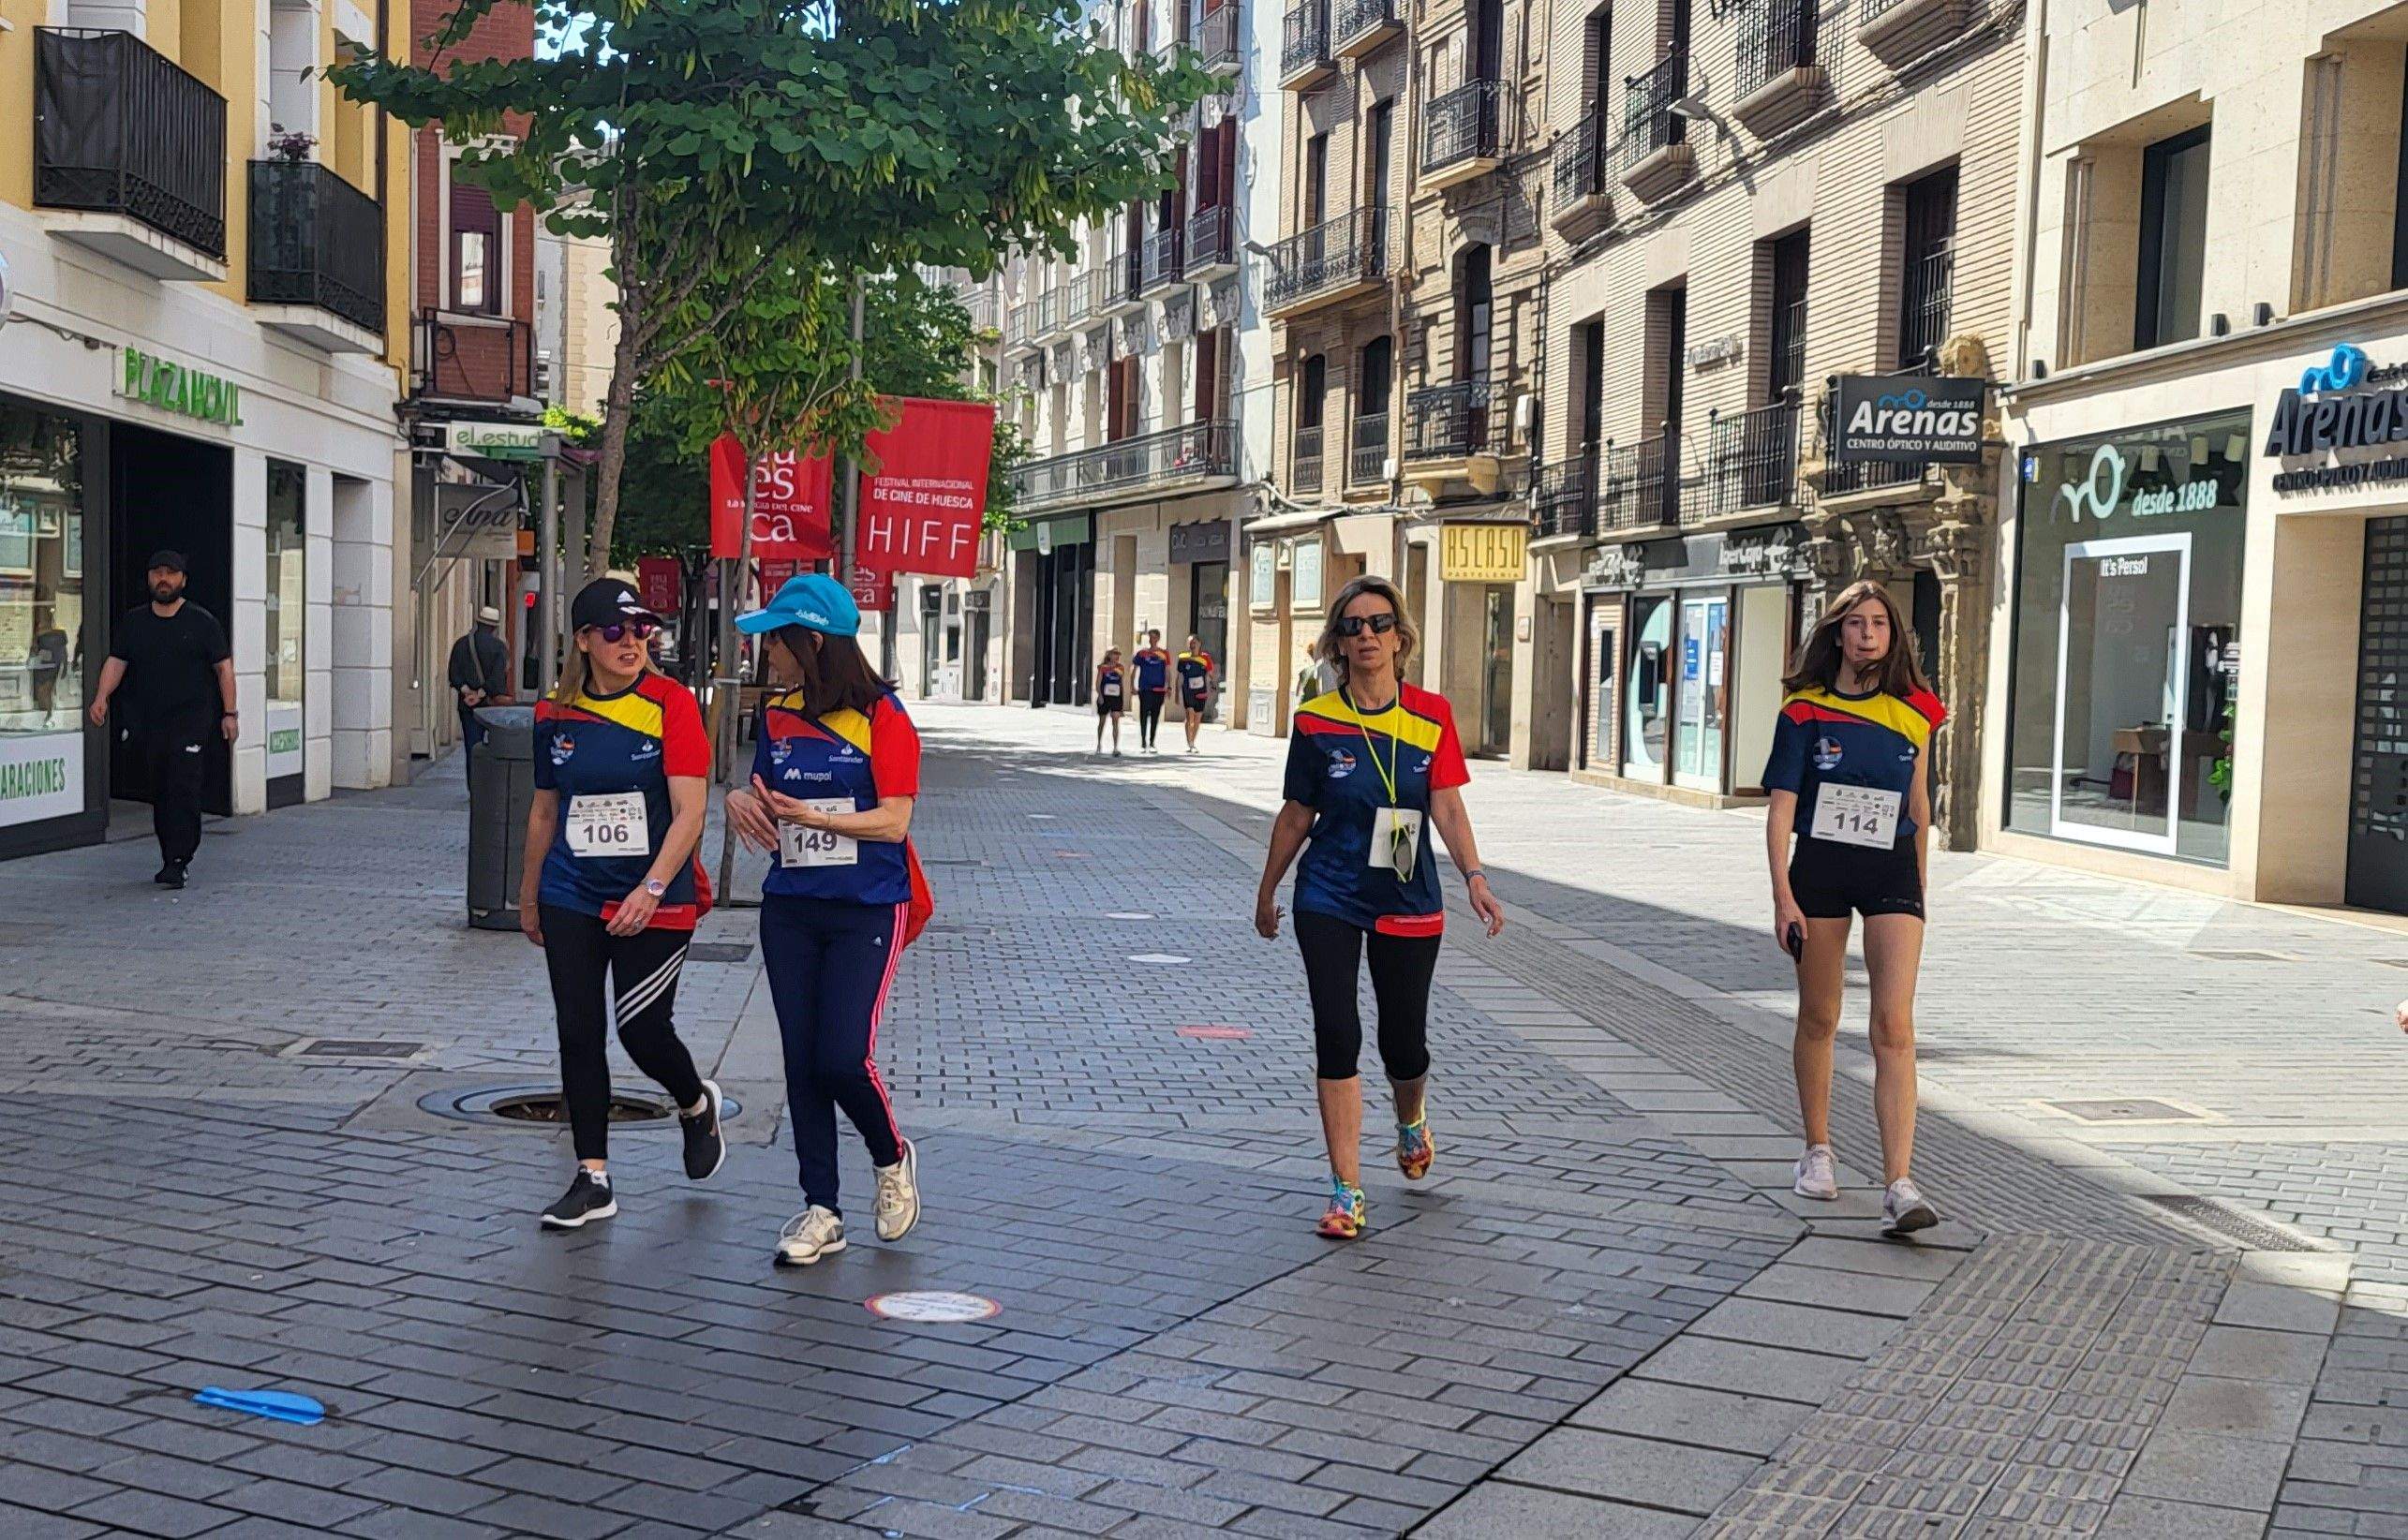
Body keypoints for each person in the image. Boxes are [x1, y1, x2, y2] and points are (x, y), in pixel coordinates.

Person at [1254, 576, 1505, 1239]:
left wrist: (1474, 876)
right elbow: (1296, 813)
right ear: (1337, 643)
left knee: (1403, 1042)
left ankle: (1411, 1116)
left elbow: (1446, 802)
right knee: (1337, 1033)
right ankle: (1345, 1190)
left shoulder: (1433, 715)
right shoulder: (1315, 721)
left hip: (1406, 890)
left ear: (1400, 638)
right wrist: (1267, 889)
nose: (1367, 635)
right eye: (1353, 625)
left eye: (1379, 624)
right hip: (1329, 893)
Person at [724, 573, 930, 1268]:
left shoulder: (885, 717)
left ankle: (890, 1155)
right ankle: (822, 1208)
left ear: (811, 642)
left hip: (868, 908)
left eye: (777, 643)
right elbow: (762, 790)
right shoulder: (778, 712)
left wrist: (812, 817)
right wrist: (737, 801)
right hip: (791, 907)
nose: (768, 657)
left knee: (842, 1055)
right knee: (801, 1060)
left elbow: (896, 819)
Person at [519, 578, 724, 1231]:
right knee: (578, 1031)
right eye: (615, 631)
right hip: (571, 891)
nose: (631, 642)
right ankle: (593, 1177)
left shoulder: (671, 705)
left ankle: (694, 1105)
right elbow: (545, 810)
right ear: (582, 641)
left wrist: (652, 887)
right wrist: (529, 897)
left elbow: (691, 811)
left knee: (640, 1030)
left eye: (641, 630)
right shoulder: (553, 715)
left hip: (656, 895)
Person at [1763, 578, 1946, 1239]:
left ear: (1893, 637)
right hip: (1820, 871)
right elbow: (1781, 809)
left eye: (1880, 624)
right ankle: (1818, 1151)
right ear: (1836, 632)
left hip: (1891, 870)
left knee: (1894, 1025)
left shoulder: (1918, 710)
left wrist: (1920, 884)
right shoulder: (1803, 712)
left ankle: (1899, 1184)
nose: (1868, 633)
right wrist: (1782, 893)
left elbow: (1920, 805)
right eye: (1856, 623)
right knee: (1820, 1015)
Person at [89, 551, 235, 890]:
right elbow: (117, 661)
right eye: (157, 573)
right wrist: (101, 697)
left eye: (171, 573)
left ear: (183, 580)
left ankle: (179, 859)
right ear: (149, 579)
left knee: (183, 786)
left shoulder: (202, 622)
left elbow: (223, 668)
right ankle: (170, 855)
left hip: (192, 720)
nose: (163, 579)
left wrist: (230, 713)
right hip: (150, 721)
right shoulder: (134, 622)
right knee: (160, 789)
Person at [448, 605, 513, 761]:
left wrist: (467, 692)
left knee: (472, 747)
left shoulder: (461, 644)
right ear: (494, 627)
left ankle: (474, 782)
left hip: (466, 704)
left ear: (478, 623)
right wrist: (480, 694)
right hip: (490, 704)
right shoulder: (498, 647)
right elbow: (497, 678)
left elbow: (453, 674)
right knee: (495, 748)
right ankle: (488, 782)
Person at [1133, 630, 1172, 753]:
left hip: (1159, 689)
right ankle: (1143, 742)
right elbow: (1134, 669)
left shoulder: (1164, 654)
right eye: (1150, 637)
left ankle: (1152, 741)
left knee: (1155, 716)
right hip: (1145, 689)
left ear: (1159, 638)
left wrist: (1169, 686)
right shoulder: (1142, 653)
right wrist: (1132, 686)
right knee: (1144, 715)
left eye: (1154, 637)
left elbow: (1168, 671)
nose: (1152, 639)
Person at [26, 610, 67, 725]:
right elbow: (34, 649)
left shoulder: (59, 633)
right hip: (42, 667)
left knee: (47, 690)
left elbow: (64, 651)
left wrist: (64, 667)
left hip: (52, 666)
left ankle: (50, 714)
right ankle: (48, 713)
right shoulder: (40, 634)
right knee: (44, 691)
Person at [1175, 635, 1214, 753]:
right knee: (1189, 716)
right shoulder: (1183, 658)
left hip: (1201, 691)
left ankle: (1193, 741)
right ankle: (1189, 743)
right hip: (1188, 690)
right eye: (1190, 643)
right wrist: (1177, 692)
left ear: (1199, 644)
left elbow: (1210, 673)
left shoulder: (1205, 658)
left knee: (1197, 719)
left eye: (1194, 642)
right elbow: (1179, 676)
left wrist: (1212, 684)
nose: (1192, 645)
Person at [1094, 648, 1128, 756]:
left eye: (1118, 654)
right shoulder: (1103, 668)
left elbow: (1121, 684)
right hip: (1105, 697)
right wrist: (1100, 695)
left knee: (1115, 722)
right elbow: (1098, 683)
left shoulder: (1120, 668)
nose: (1117, 656)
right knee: (1102, 721)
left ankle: (1115, 747)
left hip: (1116, 697)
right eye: (1115, 654)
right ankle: (1099, 743)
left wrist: (1122, 702)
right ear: (1109, 655)